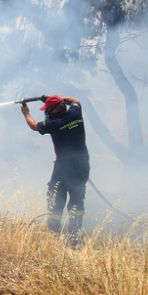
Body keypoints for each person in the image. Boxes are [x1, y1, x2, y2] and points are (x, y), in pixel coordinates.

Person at [20, 95, 90, 240]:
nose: (47, 112)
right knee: (77, 200)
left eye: (48, 109)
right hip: (82, 165)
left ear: (55, 109)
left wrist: (26, 113)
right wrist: (57, 99)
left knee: (55, 198)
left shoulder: (54, 123)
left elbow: (34, 126)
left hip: (64, 167)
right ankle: (73, 235)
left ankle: (53, 235)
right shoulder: (75, 113)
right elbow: (75, 100)